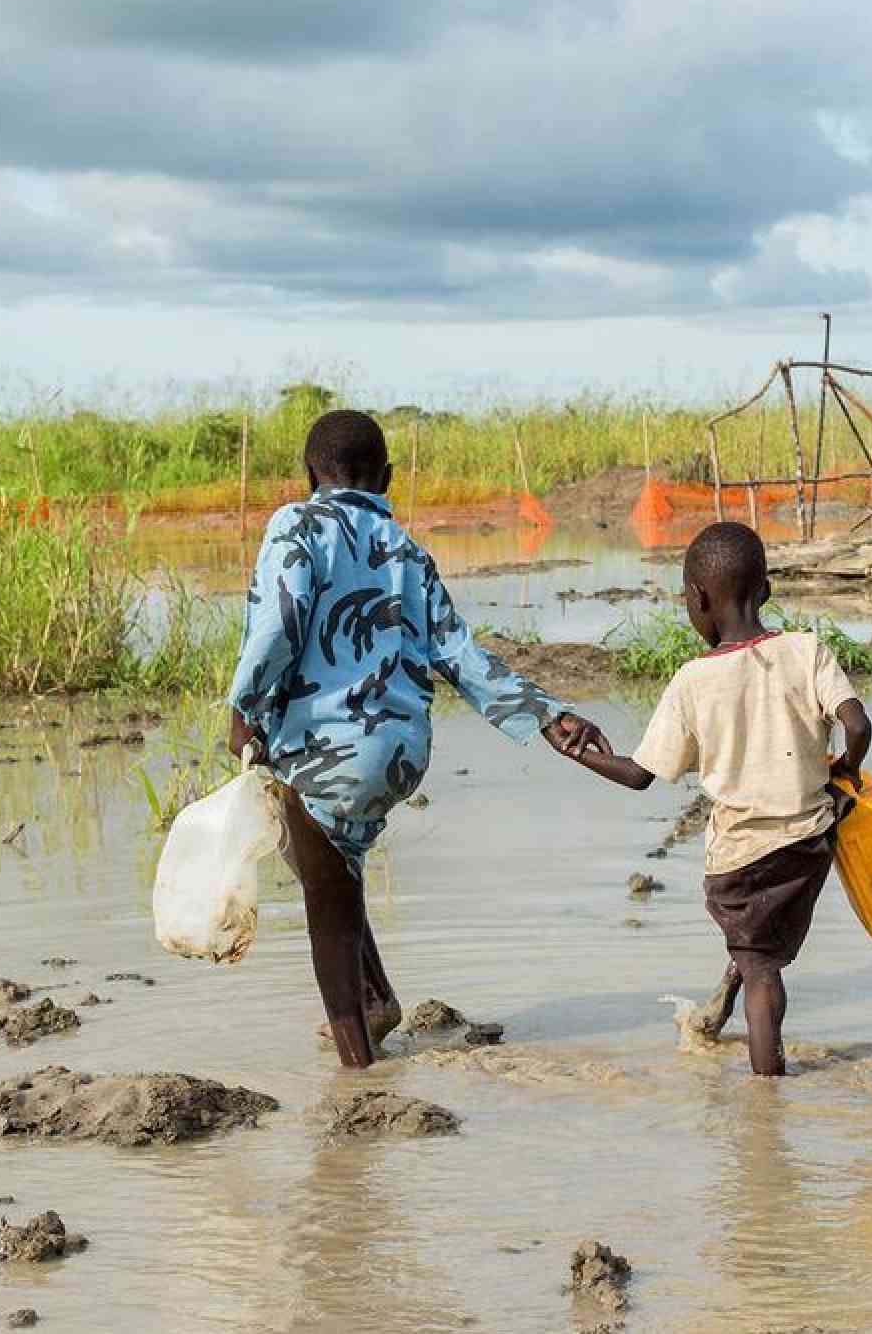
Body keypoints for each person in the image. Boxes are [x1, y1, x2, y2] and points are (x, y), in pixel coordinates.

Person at [225, 409, 604, 1068]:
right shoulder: (406, 549)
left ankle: (357, 1068)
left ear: (309, 474)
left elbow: (280, 624)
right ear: (387, 477)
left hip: (328, 750)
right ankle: (375, 1000)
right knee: (333, 868)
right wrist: (546, 713)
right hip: (401, 753)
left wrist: (243, 706)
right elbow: (459, 653)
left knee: (323, 896)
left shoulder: (296, 524)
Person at [566, 521, 872, 1076]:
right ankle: (723, 1001)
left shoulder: (693, 681)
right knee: (762, 949)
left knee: (762, 973)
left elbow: (639, 775)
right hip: (808, 845)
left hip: (740, 860)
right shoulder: (807, 650)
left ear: (698, 598)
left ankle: (766, 1096)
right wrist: (845, 772)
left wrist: (582, 755)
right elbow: (858, 725)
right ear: (767, 590)